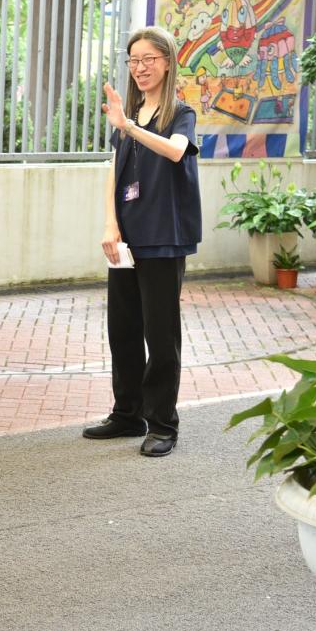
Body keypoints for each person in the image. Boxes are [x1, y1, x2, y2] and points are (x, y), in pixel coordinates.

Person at [82, 26, 201, 458]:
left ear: (167, 62)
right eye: (134, 60)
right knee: (124, 330)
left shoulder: (180, 114)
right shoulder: (126, 117)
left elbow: (175, 151)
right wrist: (110, 226)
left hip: (164, 237)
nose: (140, 67)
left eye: (149, 59)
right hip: (127, 238)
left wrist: (129, 126)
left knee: (161, 334)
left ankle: (163, 424)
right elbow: (114, 173)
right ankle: (127, 413)